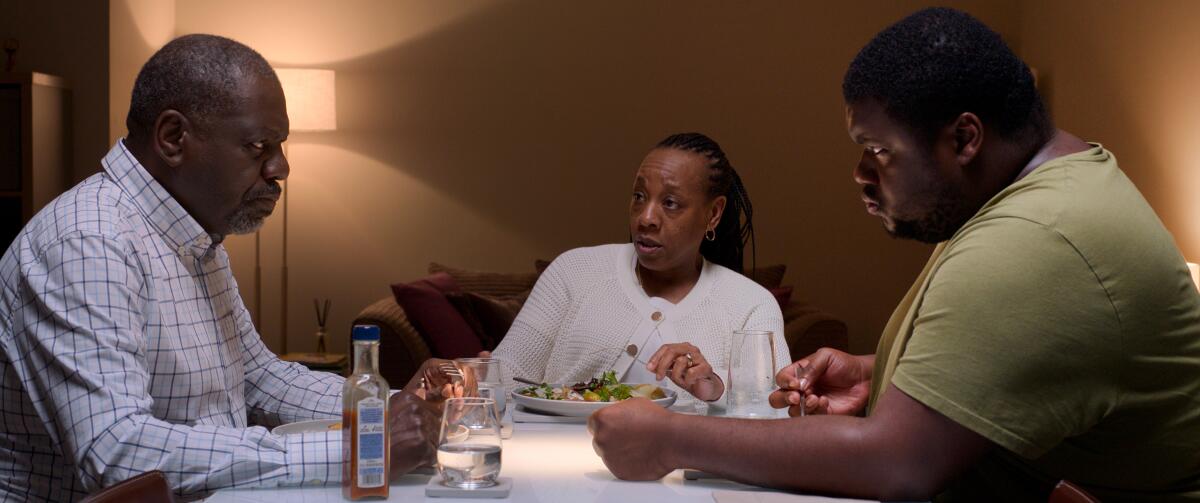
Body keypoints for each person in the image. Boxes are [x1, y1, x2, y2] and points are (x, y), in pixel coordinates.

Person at [589, 8, 1200, 502]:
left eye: (877, 149)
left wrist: (672, 438)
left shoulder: (1037, 237)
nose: (859, 174)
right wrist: (878, 370)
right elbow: (1034, 356)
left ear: (964, 138)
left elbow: (897, 466)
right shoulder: (1051, 189)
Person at [0, 34, 465, 502]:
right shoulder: (88, 243)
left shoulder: (192, 235)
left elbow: (257, 376)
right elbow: (117, 452)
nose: (281, 168)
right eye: (259, 146)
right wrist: (358, 447)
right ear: (173, 138)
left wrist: (392, 408)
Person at [491, 133, 789, 408]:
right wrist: (462, 375)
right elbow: (505, 374)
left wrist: (714, 385)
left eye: (670, 203)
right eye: (639, 196)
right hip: (552, 459)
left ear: (713, 214)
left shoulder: (751, 304)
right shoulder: (573, 271)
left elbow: (773, 406)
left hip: (683, 466)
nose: (646, 218)